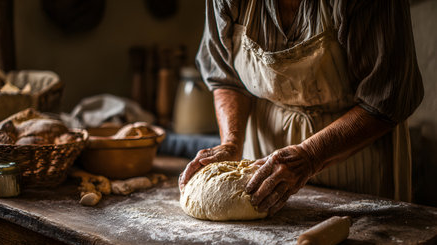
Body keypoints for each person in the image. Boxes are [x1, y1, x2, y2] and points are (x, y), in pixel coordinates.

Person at [179, 0, 423, 216]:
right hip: (263, 154)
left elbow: (387, 97)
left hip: (357, 156)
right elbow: (226, 76)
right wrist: (231, 144)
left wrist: (311, 156)